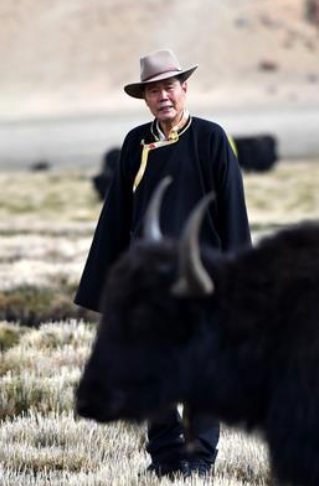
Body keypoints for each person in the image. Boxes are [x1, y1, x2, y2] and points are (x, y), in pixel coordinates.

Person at [74, 48, 253, 478]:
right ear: (145, 99)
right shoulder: (136, 142)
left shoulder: (212, 139)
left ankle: (199, 458)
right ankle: (166, 456)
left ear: (184, 89)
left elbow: (232, 212)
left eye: (169, 87)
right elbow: (116, 215)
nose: (163, 97)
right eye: (153, 91)